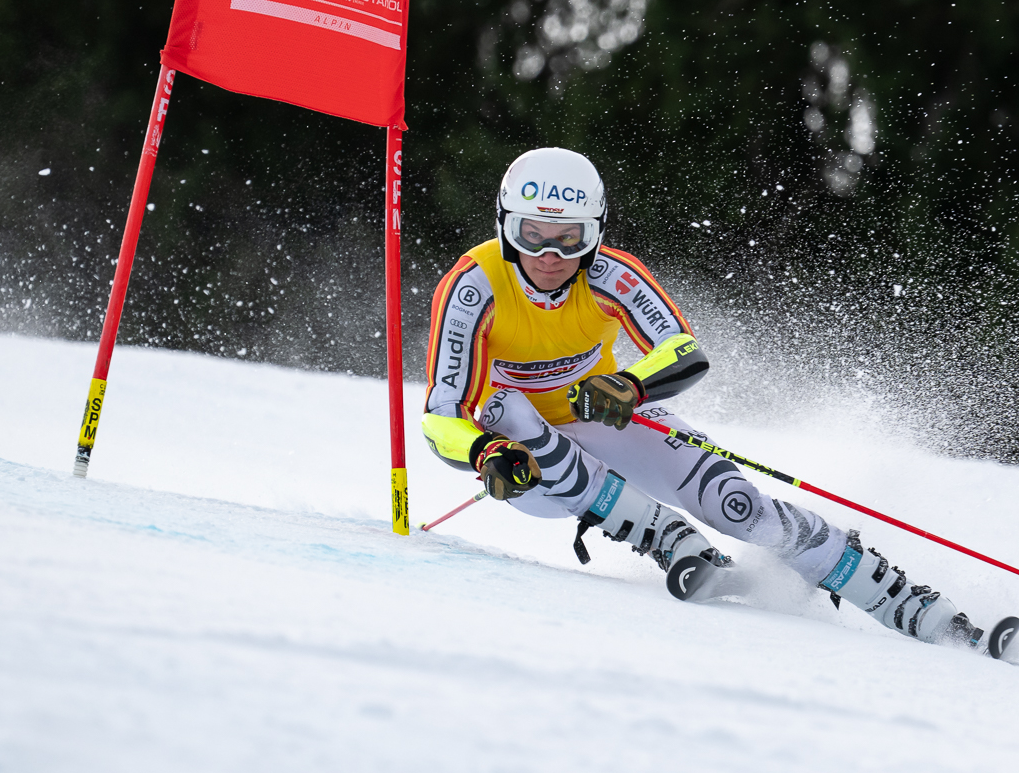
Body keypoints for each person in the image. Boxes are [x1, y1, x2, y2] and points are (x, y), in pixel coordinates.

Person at [421, 147, 986, 647]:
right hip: (527, 467)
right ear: (503, 227)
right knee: (508, 411)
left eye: (570, 238)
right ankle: (662, 534)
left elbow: (683, 349)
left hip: (606, 417)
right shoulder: (476, 284)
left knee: (731, 502)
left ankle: (902, 600)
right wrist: (482, 453)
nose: (550, 256)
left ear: (594, 233)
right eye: (530, 235)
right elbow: (441, 414)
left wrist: (631, 385)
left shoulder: (611, 276)